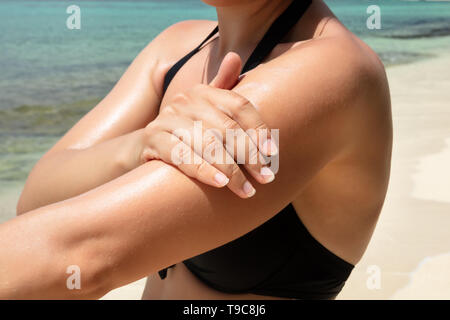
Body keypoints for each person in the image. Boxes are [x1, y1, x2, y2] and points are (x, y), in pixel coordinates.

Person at [1, 0, 392, 299]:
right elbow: (35, 201)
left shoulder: (330, 73)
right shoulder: (176, 46)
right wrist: (139, 146)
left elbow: (84, 257)